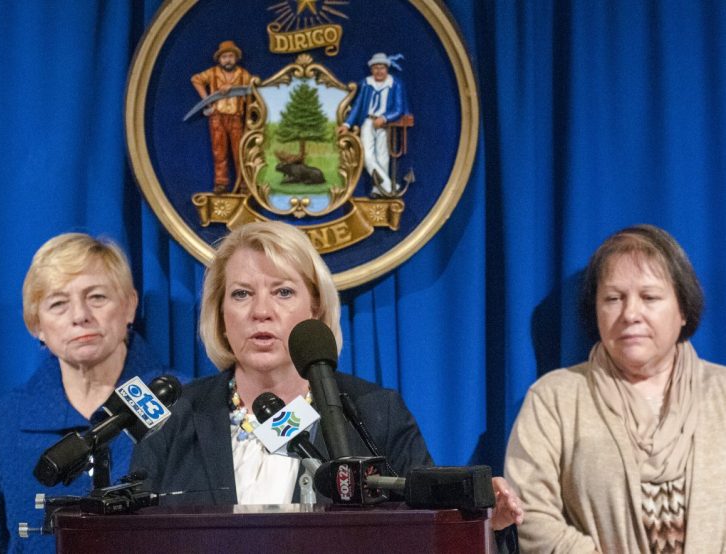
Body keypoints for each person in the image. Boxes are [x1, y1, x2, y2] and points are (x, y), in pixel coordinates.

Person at [132, 220, 522, 536]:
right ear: (219, 314)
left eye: (283, 292)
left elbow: (431, 530)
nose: (261, 311)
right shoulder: (175, 415)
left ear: (315, 309)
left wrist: (487, 523)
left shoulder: (376, 412)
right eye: (241, 294)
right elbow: (130, 536)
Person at [505, 224, 726, 552]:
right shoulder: (553, 398)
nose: (630, 314)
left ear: (683, 309)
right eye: (613, 298)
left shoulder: (721, 392)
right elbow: (529, 514)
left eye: (649, 297)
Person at [0, 233, 175, 553]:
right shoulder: (4, 421)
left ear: (129, 306)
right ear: (35, 325)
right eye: (58, 304)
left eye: (97, 297)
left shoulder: (181, 402)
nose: (80, 315)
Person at [339, 52, 409, 197]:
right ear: (371, 69)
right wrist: (347, 124)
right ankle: (389, 186)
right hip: (368, 122)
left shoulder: (395, 84)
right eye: (375, 68)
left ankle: (378, 189)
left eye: (382, 68)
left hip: (385, 124)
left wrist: (384, 117)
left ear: (387, 69)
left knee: (383, 156)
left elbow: (399, 107)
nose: (379, 71)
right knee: (366, 156)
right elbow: (358, 106)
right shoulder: (366, 83)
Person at [191, 40, 252, 194]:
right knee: (219, 151)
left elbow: (253, 88)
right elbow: (196, 79)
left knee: (240, 151)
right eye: (225, 57)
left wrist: (235, 89)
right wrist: (207, 100)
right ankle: (221, 183)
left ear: (236, 58)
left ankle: (244, 183)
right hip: (217, 118)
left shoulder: (243, 74)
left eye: (231, 56)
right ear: (219, 59)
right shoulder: (212, 73)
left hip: (236, 118)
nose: (228, 60)